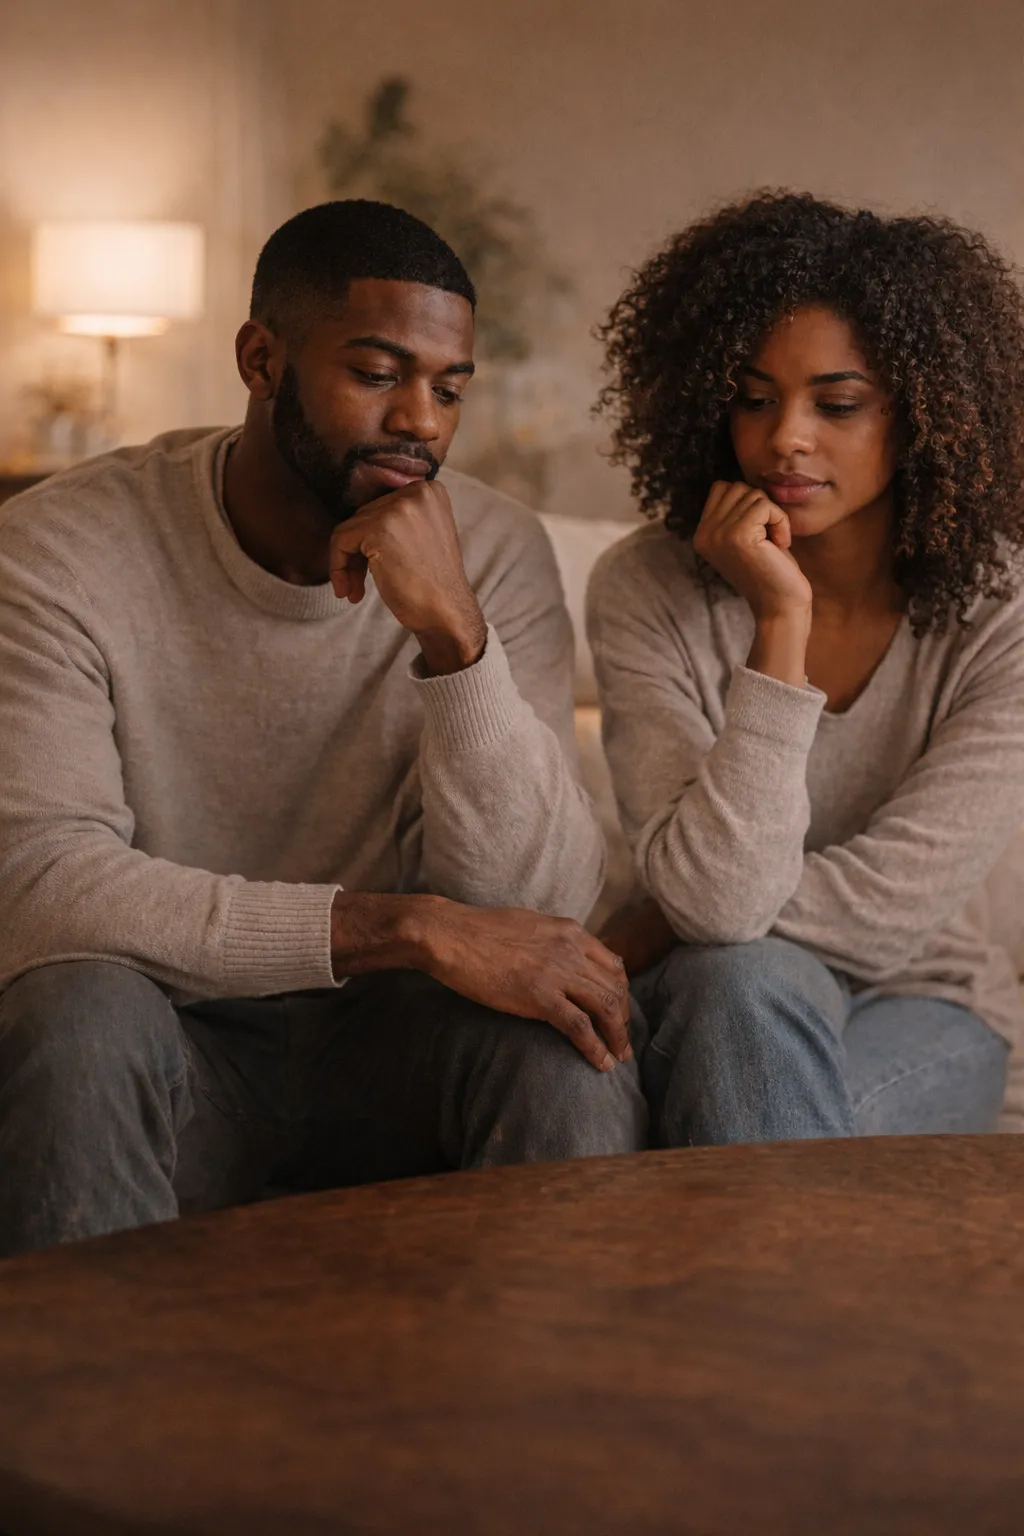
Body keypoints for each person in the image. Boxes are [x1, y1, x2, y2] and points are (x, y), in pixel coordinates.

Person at [0, 199, 645, 1257]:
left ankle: (556, 1367)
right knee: (75, 1013)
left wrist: (456, 640)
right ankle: (94, 1368)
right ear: (261, 359)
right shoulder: (60, 550)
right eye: (379, 374)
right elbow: (39, 887)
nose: (421, 421)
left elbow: (538, 907)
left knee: (559, 1036)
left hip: (396, 1053)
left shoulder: (493, 552)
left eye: (447, 389)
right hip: (171, 1045)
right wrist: (406, 926)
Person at [589, 191, 1024, 1146]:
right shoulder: (649, 588)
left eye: (838, 404)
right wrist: (781, 622)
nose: (786, 435)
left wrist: (665, 921)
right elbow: (716, 905)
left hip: (924, 998)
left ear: (926, 413)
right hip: (713, 991)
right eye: (754, 398)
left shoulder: (1005, 617)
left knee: (733, 1011)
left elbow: (879, 915)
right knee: (737, 982)